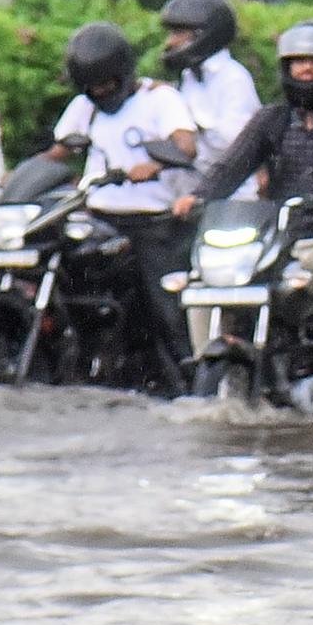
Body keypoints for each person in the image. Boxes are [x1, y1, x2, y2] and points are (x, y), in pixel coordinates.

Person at [172, 21, 313, 411]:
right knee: (203, 283)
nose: (306, 69)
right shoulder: (272, 118)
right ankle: (209, 362)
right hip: (275, 237)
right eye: (298, 61)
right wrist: (198, 196)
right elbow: (233, 163)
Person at [50, 22, 201, 384]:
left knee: (166, 308)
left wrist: (154, 166)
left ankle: (190, 378)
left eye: (107, 84)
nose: (100, 92)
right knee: (71, 288)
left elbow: (186, 145)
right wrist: (20, 176)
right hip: (99, 218)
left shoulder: (159, 99)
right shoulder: (84, 107)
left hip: (153, 221)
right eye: (91, 87)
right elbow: (59, 151)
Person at [159, 0, 262, 200]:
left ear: (202, 34)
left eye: (178, 33)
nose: (170, 42)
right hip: (193, 192)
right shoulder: (189, 76)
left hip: (234, 196)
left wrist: (187, 117)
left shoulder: (233, 77)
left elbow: (233, 142)